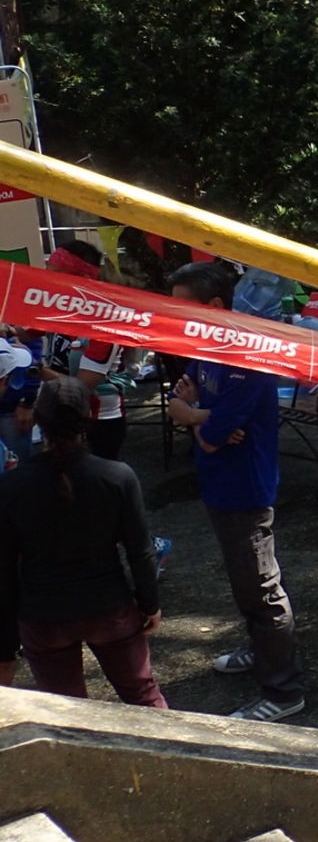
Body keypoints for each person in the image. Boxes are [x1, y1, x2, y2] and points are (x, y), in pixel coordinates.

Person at [165, 260, 307, 722]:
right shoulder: (208, 346)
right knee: (245, 582)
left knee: (262, 589)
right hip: (219, 482)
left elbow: (205, 431)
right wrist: (205, 416)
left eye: (185, 306)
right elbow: (184, 396)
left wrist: (195, 418)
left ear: (214, 305)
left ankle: (284, 691)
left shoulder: (248, 359)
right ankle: (260, 649)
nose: (178, 315)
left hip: (246, 489)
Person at [0, 377, 166, 708]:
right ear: (89, 416)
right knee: (143, 696)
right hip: (109, 607)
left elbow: (3, 566)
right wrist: (150, 604)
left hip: (43, 615)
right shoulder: (118, 476)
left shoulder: (11, 486)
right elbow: (140, 549)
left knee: (67, 711)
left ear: (38, 420)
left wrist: (7, 634)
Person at [43, 240, 133, 460]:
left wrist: (36, 370)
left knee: (93, 480)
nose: (48, 281)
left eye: (56, 274)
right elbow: (23, 333)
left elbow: (82, 386)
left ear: (81, 279)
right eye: (47, 272)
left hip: (97, 422)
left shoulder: (105, 323)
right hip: (61, 414)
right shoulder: (59, 308)